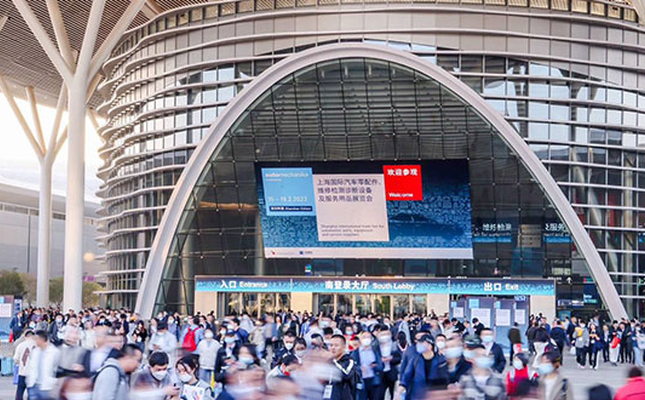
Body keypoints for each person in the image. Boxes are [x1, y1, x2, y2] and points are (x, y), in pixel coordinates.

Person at [398, 334, 448, 400]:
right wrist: (400, 390)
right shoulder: (415, 360)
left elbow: (445, 380)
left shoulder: (441, 361)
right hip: (417, 396)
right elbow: (406, 376)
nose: (419, 345)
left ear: (430, 346)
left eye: (422, 343)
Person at [26, 330, 60, 400]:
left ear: (42, 339)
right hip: (34, 386)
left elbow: (58, 370)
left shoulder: (54, 352)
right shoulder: (35, 352)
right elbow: (31, 367)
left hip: (48, 388)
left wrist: (54, 383)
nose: (35, 341)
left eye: (37, 339)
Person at [327, 334, 361, 400]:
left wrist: (334, 362)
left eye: (336, 345)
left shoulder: (349, 361)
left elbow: (345, 374)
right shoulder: (328, 362)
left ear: (344, 347)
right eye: (331, 345)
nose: (333, 348)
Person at [351, 331, 383, 400]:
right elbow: (352, 366)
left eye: (368, 337)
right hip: (361, 381)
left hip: (374, 380)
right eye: (364, 337)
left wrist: (375, 366)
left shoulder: (375, 351)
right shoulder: (355, 353)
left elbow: (380, 366)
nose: (366, 339)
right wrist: (359, 368)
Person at [375, 325, 401, 400]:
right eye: (382, 335)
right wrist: (380, 360)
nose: (384, 336)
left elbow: (399, 357)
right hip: (380, 373)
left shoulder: (394, 345)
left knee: (393, 394)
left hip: (392, 372)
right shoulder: (375, 346)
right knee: (380, 394)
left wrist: (391, 359)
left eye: (386, 334)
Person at [14, 330, 35, 400]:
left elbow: (16, 359)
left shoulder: (20, 345)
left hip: (22, 372)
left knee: (20, 391)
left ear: (25, 336)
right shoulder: (37, 345)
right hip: (33, 374)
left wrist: (19, 364)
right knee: (31, 393)